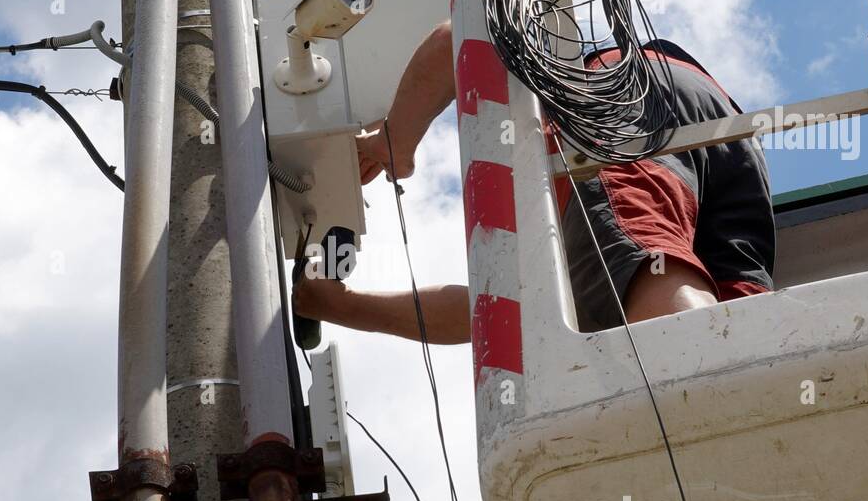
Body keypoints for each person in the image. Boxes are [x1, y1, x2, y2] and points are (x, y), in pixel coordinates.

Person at [292, 20, 775, 343]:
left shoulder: (554, 279)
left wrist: (393, 145)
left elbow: (461, 32)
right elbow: (492, 314)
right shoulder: (551, 289)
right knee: (739, 320)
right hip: (719, 120)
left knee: (659, 291)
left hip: (629, 101)